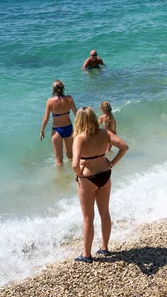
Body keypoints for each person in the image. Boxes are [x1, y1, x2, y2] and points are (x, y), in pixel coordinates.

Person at [71, 107, 129, 262]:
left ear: (79, 121)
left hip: (88, 178)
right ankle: (104, 248)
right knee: (105, 214)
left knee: (88, 218)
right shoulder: (105, 133)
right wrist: (112, 163)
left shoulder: (80, 138)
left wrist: (79, 174)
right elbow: (124, 147)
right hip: (105, 174)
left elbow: (75, 164)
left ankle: (86, 254)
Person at [40, 81, 76, 165]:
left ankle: (61, 178)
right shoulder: (69, 99)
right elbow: (76, 113)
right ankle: (74, 174)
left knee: (59, 160)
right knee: (71, 156)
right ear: (63, 88)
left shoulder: (50, 101)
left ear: (53, 89)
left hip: (57, 131)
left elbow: (46, 118)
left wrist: (42, 130)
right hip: (69, 128)